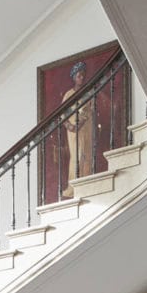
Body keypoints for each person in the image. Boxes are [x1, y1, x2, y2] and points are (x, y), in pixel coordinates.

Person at [62, 60, 93, 195]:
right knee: (76, 155)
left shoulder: (88, 91)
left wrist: (81, 123)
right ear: (74, 77)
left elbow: (90, 109)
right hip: (73, 131)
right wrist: (69, 125)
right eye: (79, 75)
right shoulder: (68, 94)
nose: (81, 78)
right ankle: (73, 187)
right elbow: (63, 114)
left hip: (85, 127)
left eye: (83, 75)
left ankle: (85, 185)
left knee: (86, 154)